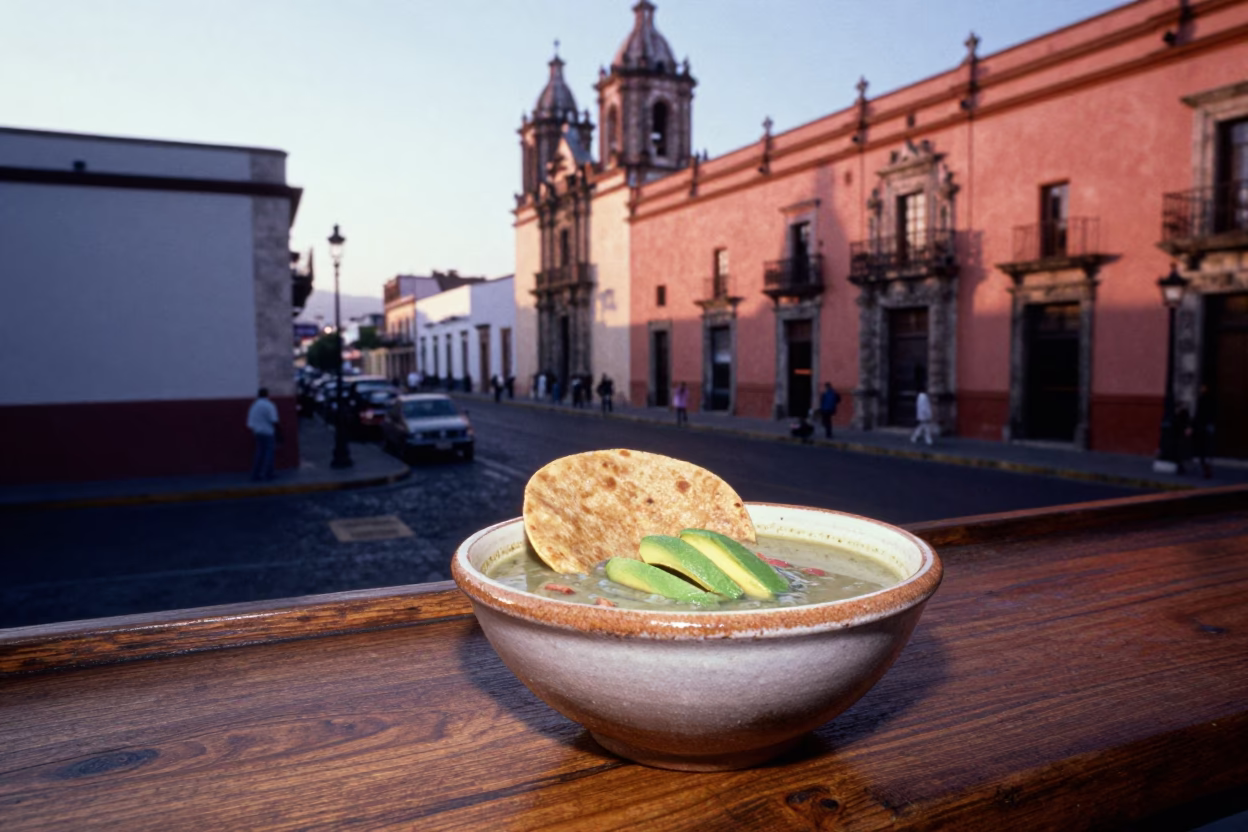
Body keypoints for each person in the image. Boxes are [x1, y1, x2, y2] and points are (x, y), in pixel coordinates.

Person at [247, 387, 280, 481]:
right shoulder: (269, 405)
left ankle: (256, 473)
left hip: (257, 432)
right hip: (268, 432)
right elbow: (274, 420)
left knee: (259, 453)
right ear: (267, 395)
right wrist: (279, 433)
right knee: (269, 453)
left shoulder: (254, 406)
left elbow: (250, 422)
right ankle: (268, 473)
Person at [1191, 385, 1214, 479]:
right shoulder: (1203, 400)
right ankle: (1205, 468)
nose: (1201, 389)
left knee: (1204, 450)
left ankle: (1206, 468)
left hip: (1203, 428)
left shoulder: (1205, 400)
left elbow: (1199, 414)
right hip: (1202, 428)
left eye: (1203, 388)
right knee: (1203, 450)